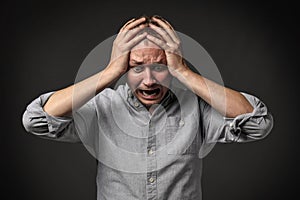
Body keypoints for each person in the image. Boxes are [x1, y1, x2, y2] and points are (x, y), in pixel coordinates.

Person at [22, 15, 273, 200]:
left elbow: (258, 122)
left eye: (161, 67)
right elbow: (35, 119)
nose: (149, 80)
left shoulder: (196, 108)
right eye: (137, 67)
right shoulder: (103, 107)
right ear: (124, 69)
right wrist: (110, 71)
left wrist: (184, 71)